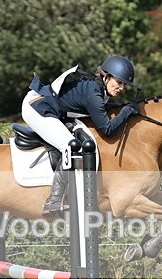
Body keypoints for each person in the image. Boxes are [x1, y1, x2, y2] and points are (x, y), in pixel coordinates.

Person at [21, 55, 140, 216]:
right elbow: (107, 129)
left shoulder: (98, 88)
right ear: (106, 76)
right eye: (119, 82)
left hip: (54, 109)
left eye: (124, 84)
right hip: (36, 108)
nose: (122, 88)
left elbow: (101, 108)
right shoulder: (93, 93)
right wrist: (126, 111)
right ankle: (54, 200)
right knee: (70, 146)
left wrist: (122, 108)